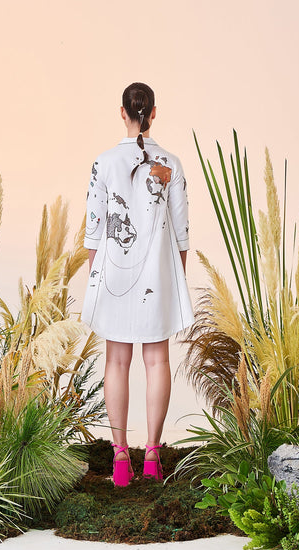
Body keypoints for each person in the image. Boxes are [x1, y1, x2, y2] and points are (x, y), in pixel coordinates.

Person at [81, 82, 195, 486]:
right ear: (154, 113)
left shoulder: (104, 162)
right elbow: (181, 234)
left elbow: (93, 232)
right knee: (157, 360)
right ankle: (151, 455)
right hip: (156, 274)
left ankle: (119, 459)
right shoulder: (172, 163)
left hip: (113, 273)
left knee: (116, 360)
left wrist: (96, 278)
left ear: (123, 113)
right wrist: (176, 278)